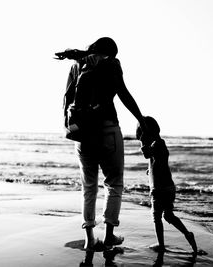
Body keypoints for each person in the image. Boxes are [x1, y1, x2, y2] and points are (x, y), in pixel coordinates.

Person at [60, 37, 147, 251]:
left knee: (89, 187)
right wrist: (141, 119)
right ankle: (109, 236)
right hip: (108, 129)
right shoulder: (111, 64)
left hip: (82, 133)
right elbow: (123, 93)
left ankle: (90, 238)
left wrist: (71, 125)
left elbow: (66, 98)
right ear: (111, 52)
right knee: (114, 183)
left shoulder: (77, 64)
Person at [136, 116, 198, 254]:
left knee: (156, 217)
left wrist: (142, 140)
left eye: (143, 135)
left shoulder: (157, 144)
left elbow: (147, 154)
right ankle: (187, 234)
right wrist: (150, 169)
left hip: (160, 189)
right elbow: (157, 161)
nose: (143, 139)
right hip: (168, 188)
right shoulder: (159, 145)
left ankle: (161, 245)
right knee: (168, 216)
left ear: (148, 133)